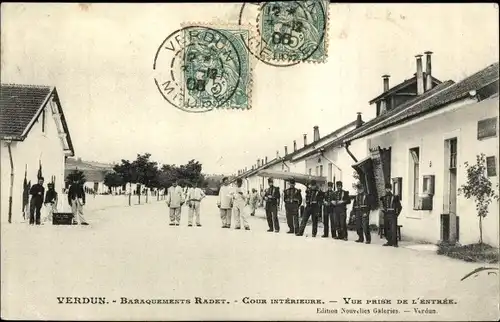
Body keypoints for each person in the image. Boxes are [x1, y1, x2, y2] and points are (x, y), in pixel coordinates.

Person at [380, 183, 402, 247]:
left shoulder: (395, 197)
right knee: (387, 228)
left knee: (393, 229)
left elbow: (400, 207)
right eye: (386, 188)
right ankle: (389, 241)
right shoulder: (383, 198)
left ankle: (395, 243)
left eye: (389, 188)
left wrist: (396, 214)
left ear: (391, 189)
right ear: (385, 189)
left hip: (393, 215)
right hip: (386, 214)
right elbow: (383, 206)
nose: (387, 190)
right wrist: (383, 211)